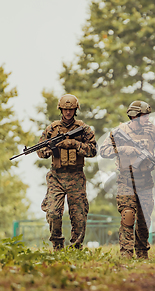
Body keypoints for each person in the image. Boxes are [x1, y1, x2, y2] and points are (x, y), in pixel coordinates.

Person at [99, 101, 155, 259]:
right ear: (134, 115)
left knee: (144, 220)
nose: (147, 118)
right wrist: (124, 149)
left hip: (145, 181)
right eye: (144, 116)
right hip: (126, 180)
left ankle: (142, 253)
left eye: (147, 115)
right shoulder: (119, 131)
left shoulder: (151, 131)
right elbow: (103, 151)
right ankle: (126, 254)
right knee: (128, 215)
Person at [37, 94, 97, 251]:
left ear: (75, 110)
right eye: (65, 109)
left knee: (79, 216)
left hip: (76, 177)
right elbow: (40, 151)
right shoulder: (52, 128)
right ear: (60, 109)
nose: (68, 112)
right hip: (56, 177)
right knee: (53, 213)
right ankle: (57, 246)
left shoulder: (83, 129)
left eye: (71, 109)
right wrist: (50, 149)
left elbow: (93, 150)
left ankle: (76, 248)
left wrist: (74, 144)